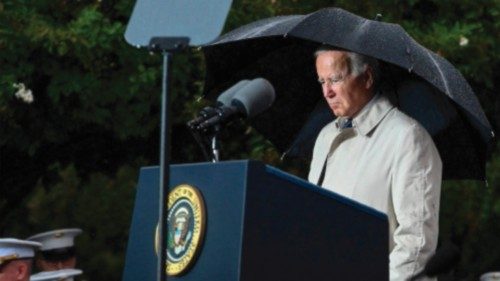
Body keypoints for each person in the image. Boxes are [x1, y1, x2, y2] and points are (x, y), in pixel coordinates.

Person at [308, 46, 442, 281]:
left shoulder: (407, 137)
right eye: (322, 81)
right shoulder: (325, 137)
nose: (327, 92)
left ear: (367, 77)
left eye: (335, 79)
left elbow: (416, 242)